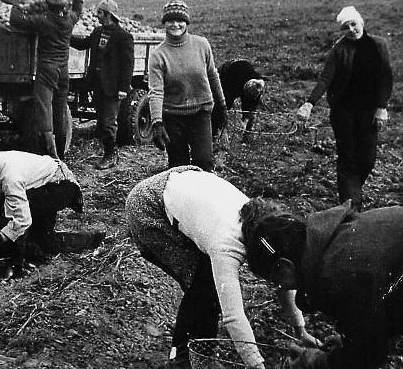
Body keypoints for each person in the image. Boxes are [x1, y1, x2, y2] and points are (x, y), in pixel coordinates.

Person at [125, 167, 318, 369]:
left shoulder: (261, 225)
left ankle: (202, 355)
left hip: (184, 189)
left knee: (209, 285)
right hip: (148, 206)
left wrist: (300, 330)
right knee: (202, 286)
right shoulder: (226, 245)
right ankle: (182, 357)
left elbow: (283, 283)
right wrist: (257, 365)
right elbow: (233, 316)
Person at [243, 200, 403, 369]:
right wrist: (350, 337)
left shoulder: (337, 275)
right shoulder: (334, 236)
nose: (280, 288)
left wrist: (316, 361)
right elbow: (379, 314)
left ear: (285, 266)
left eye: (276, 281)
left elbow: (368, 355)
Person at [0, 131, 105, 271]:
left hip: (60, 186)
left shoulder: (9, 178)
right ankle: (89, 239)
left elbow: (21, 221)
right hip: (37, 185)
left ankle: (16, 264)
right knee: (33, 237)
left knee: (24, 231)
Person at [296, 6, 393, 211]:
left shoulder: (379, 45)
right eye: (345, 27)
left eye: (353, 24)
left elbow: (386, 77)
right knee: (348, 158)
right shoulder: (339, 50)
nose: (351, 29)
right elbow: (325, 78)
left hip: (369, 112)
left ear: (362, 22)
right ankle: (351, 208)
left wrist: (382, 108)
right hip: (344, 112)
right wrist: (309, 103)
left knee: (367, 160)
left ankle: (352, 192)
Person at [148, 0, 227, 171]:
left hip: (200, 113)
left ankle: (204, 196)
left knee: (204, 161)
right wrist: (157, 122)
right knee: (179, 166)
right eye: (170, 20)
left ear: (187, 22)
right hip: (173, 116)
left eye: (180, 20)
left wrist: (221, 104)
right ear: (164, 23)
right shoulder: (158, 55)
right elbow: (156, 92)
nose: (175, 24)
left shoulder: (202, 45)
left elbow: (213, 75)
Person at [9, 0, 83, 159]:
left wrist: (16, 2)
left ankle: (50, 152)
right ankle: (60, 153)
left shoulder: (43, 21)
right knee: (59, 111)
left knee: (43, 108)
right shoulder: (69, 19)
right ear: (64, 5)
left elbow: (16, 19)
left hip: (47, 70)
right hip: (63, 71)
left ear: (48, 5)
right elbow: (78, 10)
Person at [70, 0, 135, 169]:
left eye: (99, 12)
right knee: (100, 122)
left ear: (107, 15)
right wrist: (65, 35)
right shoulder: (98, 31)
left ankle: (110, 154)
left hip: (112, 87)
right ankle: (109, 151)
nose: (96, 15)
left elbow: (128, 64)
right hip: (97, 84)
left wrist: (123, 88)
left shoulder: (123, 36)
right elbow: (82, 44)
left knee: (108, 122)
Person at [214, 58, 265, 138]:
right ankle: (216, 132)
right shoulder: (234, 80)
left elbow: (251, 111)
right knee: (220, 108)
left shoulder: (257, 89)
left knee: (250, 112)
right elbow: (224, 103)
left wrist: (246, 127)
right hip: (225, 75)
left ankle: (246, 136)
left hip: (240, 74)